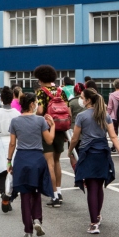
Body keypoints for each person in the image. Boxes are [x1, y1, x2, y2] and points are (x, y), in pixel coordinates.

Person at [69, 89, 119, 234]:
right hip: (102, 153)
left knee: (91, 187)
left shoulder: (81, 116)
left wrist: (70, 151)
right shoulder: (104, 115)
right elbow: (113, 137)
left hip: (87, 153)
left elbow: (75, 138)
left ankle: (94, 223)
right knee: (99, 186)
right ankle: (98, 216)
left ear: (88, 100)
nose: (81, 100)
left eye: (82, 97)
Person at [7, 92, 55, 237]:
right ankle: (37, 220)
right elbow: (49, 140)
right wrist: (52, 126)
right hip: (37, 158)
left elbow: (12, 143)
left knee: (24, 195)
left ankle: (28, 231)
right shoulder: (40, 120)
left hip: (21, 158)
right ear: (32, 104)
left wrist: (9, 160)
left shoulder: (15, 121)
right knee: (36, 192)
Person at [34, 65, 70, 207]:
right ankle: (59, 192)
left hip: (47, 129)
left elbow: (40, 110)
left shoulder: (41, 92)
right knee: (56, 161)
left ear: (41, 79)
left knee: (48, 162)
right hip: (61, 128)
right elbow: (68, 110)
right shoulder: (61, 91)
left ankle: (54, 195)